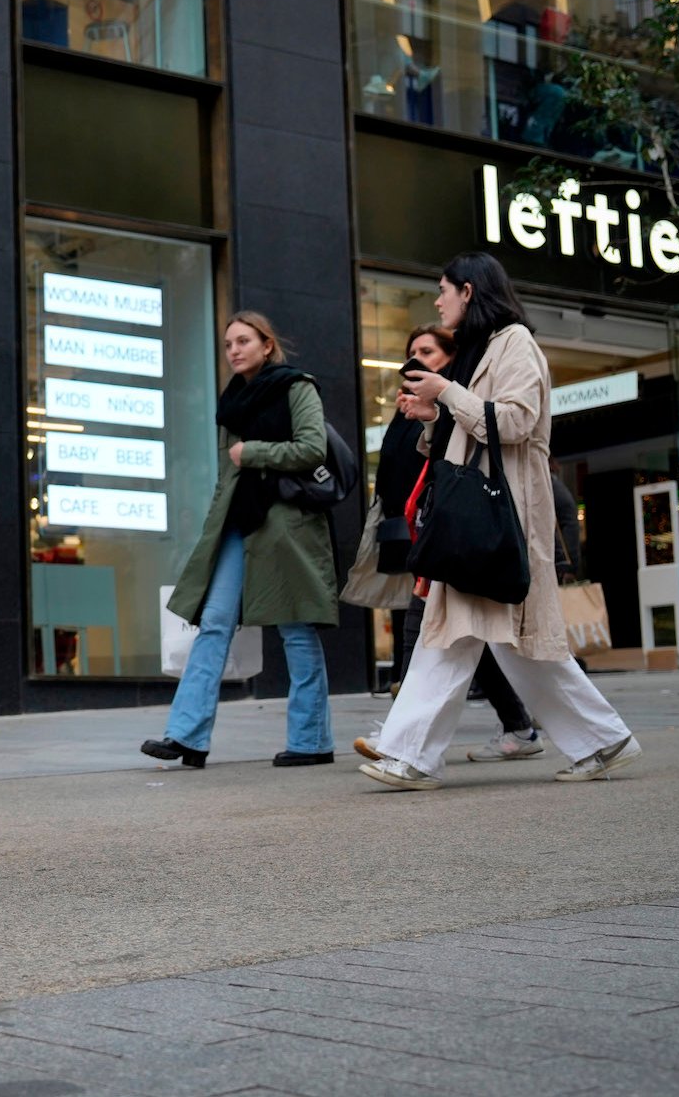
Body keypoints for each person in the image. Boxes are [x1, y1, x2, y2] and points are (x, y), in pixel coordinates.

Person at [362, 252, 638, 791]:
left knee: (460, 633)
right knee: (493, 637)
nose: (438, 301)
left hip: (501, 513)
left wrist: (446, 394)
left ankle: (410, 756)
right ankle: (603, 742)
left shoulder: (514, 343)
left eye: (443, 290)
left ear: (468, 290)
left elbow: (515, 421)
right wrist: (433, 416)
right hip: (480, 515)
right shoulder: (477, 350)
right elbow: (468, 429)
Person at [142, 312, 339, 770]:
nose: (234, 349)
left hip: (285, 522)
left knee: (296, 626)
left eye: (244, 340)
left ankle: (312, 740)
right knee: (213, 622)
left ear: (267, 345)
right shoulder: (232, 402)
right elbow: (228, 475)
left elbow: (313, 448)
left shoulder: (296, 387)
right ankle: (187, 735)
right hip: (238, 521)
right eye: (228, 343)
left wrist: (254, 452)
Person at [342, 325, 453, 689]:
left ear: (449, 359)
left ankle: (405, 703)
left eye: (427, 351)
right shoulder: (403, 407)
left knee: (442, 622)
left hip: (440, 527)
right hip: (404, 527)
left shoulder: (451, 405)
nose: (416, 359)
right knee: (413, 615)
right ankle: (404, 700)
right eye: (412, 352)